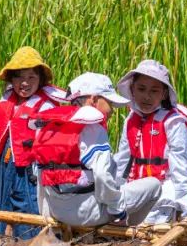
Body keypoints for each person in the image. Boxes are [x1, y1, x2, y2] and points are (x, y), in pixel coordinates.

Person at [34, 72, 161, 228]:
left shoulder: (49, 126)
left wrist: (45, 212)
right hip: (87, 214)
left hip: (56, 211)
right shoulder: (92, 127)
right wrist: (116, 209)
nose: (112, 111)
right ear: (93, 100)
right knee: (154, 186)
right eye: (109, 103)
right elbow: (101, 175)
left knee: (111, 167)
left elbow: (40, 172)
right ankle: (123, 231)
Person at [0, 46, 67, 239]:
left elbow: (50, 147)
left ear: (41, 79)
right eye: (19, 77)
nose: (24, 83)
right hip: (1, 167)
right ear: (11, 79)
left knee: (28, 214)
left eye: (31, 77)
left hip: (28, 172)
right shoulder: (7, 100)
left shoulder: (46, 106)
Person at [114, 59, 187, 225]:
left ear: (164, 94)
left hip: (163, 188)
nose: (147, 96)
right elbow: (123, 159)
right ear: (132, 89)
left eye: (154, 91)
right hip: (136, 187)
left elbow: (181, 162)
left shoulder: (172, 122)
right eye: (141, 89)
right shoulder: (131, 119)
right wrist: (115, 190)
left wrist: (185, 200)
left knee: (153, 223)